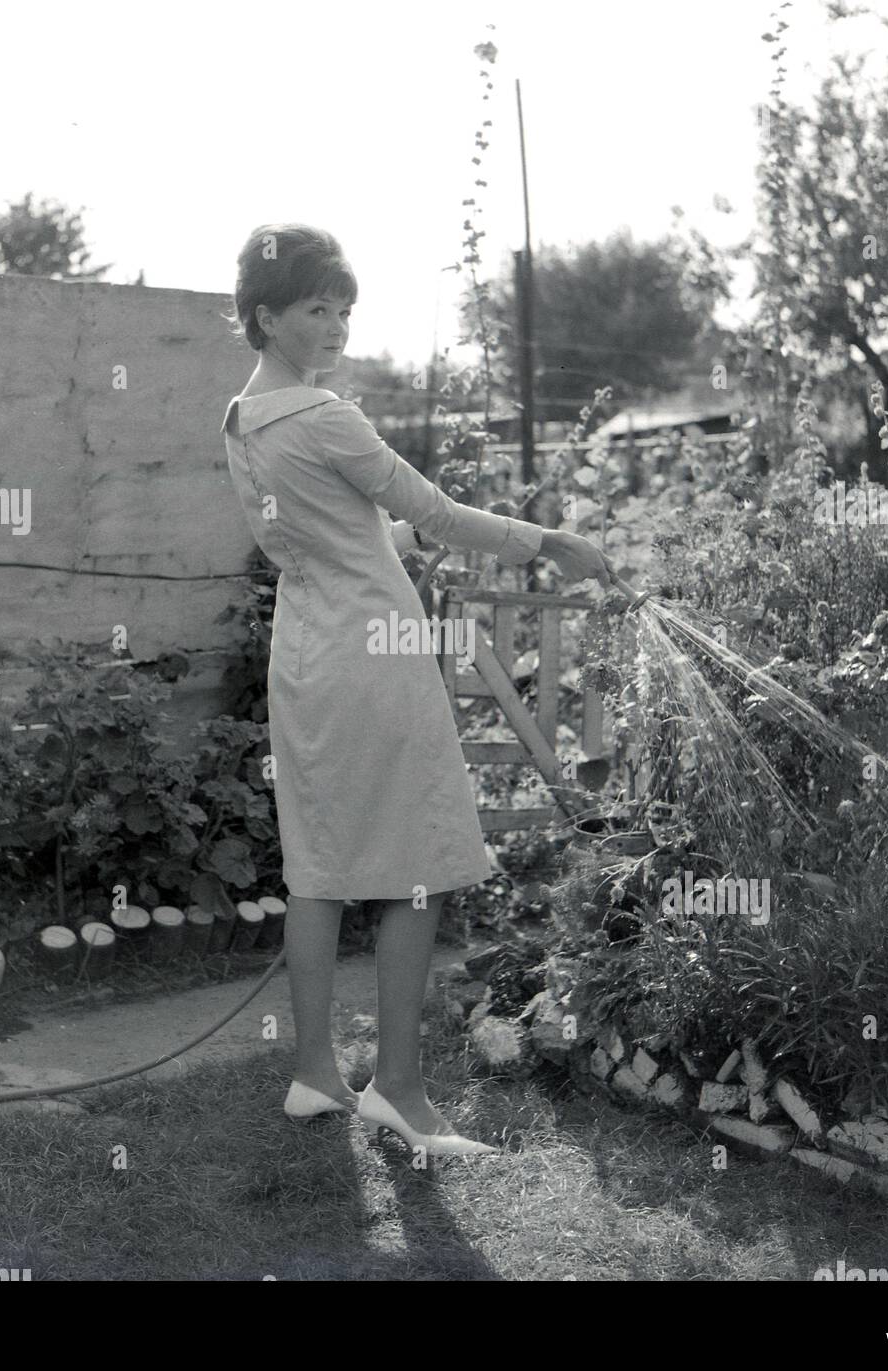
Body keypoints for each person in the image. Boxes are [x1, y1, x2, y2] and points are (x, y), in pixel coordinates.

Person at [220, 223, 614, 1158]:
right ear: (266, 316)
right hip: (375, 657)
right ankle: (398, 1089)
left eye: (345, 307)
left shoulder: (241, 420)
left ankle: (314, 1072)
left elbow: (331, 537)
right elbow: (430, 508)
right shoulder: (325, 416)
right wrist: (548, 542)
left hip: (307, 656)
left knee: (316, 865)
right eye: (318, 308)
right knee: (420, 863)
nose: (337, 325)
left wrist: (390, 547)